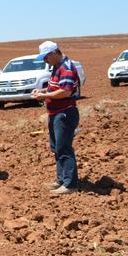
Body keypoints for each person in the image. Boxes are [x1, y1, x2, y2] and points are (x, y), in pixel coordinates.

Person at [31, 40, 80, 195]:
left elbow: (65, 92)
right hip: (55, 113)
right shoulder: (57, 67)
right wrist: (42, 91)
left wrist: (44, 95)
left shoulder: (66, 68)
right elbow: (55, 87)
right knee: (56, 148)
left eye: (46, 57)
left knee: (64, 148)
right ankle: (61, 180)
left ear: (54, 53)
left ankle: (70, 184)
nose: (45, 61)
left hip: (64, 113)